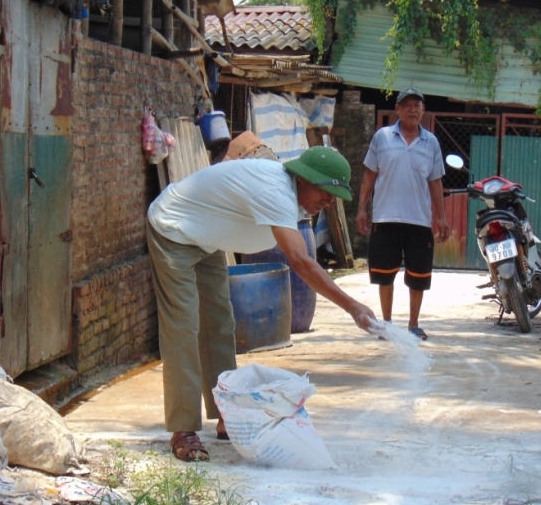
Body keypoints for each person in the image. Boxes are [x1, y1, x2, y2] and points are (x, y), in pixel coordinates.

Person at [146, 146, 378, 462]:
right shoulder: (276, 191)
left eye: (333, 197)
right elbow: (301, 261)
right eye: (325, 192)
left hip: (207, 239)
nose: (328, 202)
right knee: (184, 326)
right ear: (303, 178)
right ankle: (183, 429)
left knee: (219, 323)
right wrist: (353, 306)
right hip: (174, 229)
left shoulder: (293, 195)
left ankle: (228, 413)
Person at [355, 87, 450, 341]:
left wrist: (440, 217)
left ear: (423, 110)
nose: (412, 109)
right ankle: (386, 324)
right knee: (385, 275)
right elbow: (369, 176)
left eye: (417, 105)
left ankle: (413, 324)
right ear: (397, 109)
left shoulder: (431, 142)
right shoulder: (382, 138)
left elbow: (435, 182)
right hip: (385, 218)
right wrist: (362, 209)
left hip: (419, 220)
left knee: (418, 276)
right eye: (407, 104)